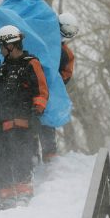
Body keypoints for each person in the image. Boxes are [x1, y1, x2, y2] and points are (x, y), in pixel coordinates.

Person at [0, 25, 48, 208]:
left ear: (11, 45)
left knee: (21, 156)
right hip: (0, 122)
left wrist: (37, 109)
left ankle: (24, 192)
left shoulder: (30, 63)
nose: (0, 50)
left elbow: (41, 89)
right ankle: (5, 195)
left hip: (21, 121)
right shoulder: (3, 67)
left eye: (1, 46)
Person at [39, 12, 78, 162]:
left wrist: (54, 82)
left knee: (47, 121)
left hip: (49, 91)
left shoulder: (66, 53)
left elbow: (66, 74)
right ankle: (37, 155)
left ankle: (49, 154)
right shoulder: (42, 43)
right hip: (34, 87)